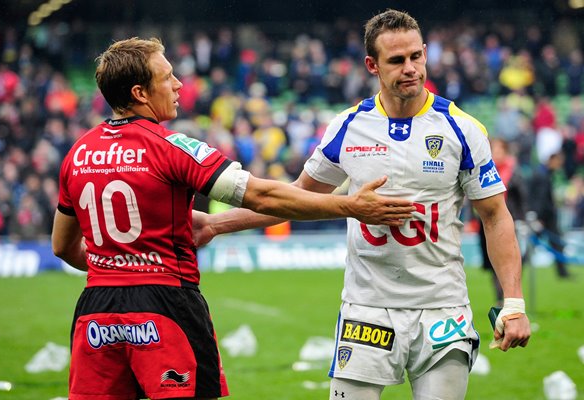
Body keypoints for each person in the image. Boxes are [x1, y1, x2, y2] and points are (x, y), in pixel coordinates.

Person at [50, 37, 415, 400]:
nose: (178, 85)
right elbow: (262, 194)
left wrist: (119, 265)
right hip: (165, 306)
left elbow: (62, 246)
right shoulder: (171, 147)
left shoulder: (78, 152)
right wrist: (350, 206)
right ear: (140, 93)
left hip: (96, 314)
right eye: (168, 77)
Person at [193, 10, 531, 400]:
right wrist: (216, 225)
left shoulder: (463, 128)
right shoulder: (348, 126)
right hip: (366, 311)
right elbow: (299, 197)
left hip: (443, 309)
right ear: (372, 65)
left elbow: (495, 215)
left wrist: (514, 303)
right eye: (396, 60)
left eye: (416, 57)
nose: (411, 69)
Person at [477, 138, 527, 306]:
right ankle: (500, 298)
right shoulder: (481, 170)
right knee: (493, 264)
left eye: (499, 150)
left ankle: (510, 298)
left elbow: (521, 200)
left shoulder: (514, 172)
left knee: (510, 260)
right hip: (486, 223)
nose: (496, 154)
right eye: (493, 150)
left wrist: (522, 219)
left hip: (510, 222)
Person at [529, 150, 570, 278]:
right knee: (530, 245)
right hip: (544, 217)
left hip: (547, 216)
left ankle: (563, 273)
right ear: (552, 160)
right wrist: (538, 217)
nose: (559, 165)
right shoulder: (542, 175)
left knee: (557, 244)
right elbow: (540, 199)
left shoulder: (545, 173)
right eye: (558, 162)